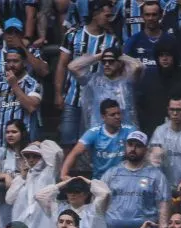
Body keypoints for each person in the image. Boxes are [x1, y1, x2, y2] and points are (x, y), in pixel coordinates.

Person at [56, 0, 118, 148]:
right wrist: (58, 93)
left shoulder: (112, 40)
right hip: (72, 97)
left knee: (93, 142)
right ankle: (67, 171)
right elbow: (62, 65)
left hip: (98, 100)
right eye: (107, 15)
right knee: (67, 139)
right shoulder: (73, 34)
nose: (109, 19)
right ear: (95, 14)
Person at [101, 130, 170, 228]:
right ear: (125, 146)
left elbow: (163, 209)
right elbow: (99, 205)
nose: (133, 149)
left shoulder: (156, 176)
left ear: (146, 150)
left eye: (138, 146)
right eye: (130, 145)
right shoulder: (111, 173)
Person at [68, 45, 142, 130]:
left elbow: (137, 66)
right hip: (98, 132)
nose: (106, 64)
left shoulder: (127, 81)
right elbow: (72, 67)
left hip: (124, 131)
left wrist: (120, 55)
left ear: (120, 63)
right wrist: (101, 55)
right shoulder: (94, 80)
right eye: (104, 61)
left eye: (111, 61)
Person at [61, 99, 135, 180]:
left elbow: (143, 150)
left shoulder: (130, 131)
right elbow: (74, 153)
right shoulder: (94, 133)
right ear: (103, 117)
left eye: (118, 113)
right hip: (100, 180)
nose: (117, 117)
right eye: (113, 115)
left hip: (124, 178)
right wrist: (64, 174)